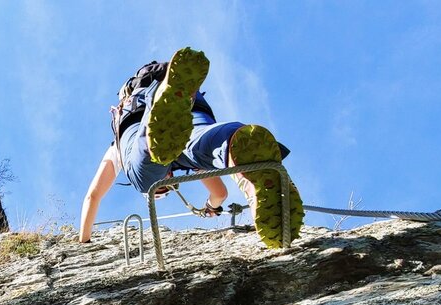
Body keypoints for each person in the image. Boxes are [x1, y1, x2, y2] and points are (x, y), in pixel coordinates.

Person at [78, 47, 304, 248]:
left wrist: (84, 241)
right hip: (190, 104)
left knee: (145, 175)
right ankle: (234, 137)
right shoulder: (187, 162)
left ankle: (159, 110)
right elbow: (220, 193)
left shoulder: (116, 150)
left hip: (136, 122)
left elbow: (93, 196)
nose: (164, 184)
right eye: (166, 187)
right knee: (206, 142)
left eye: (161, 189)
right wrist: (211, 207)